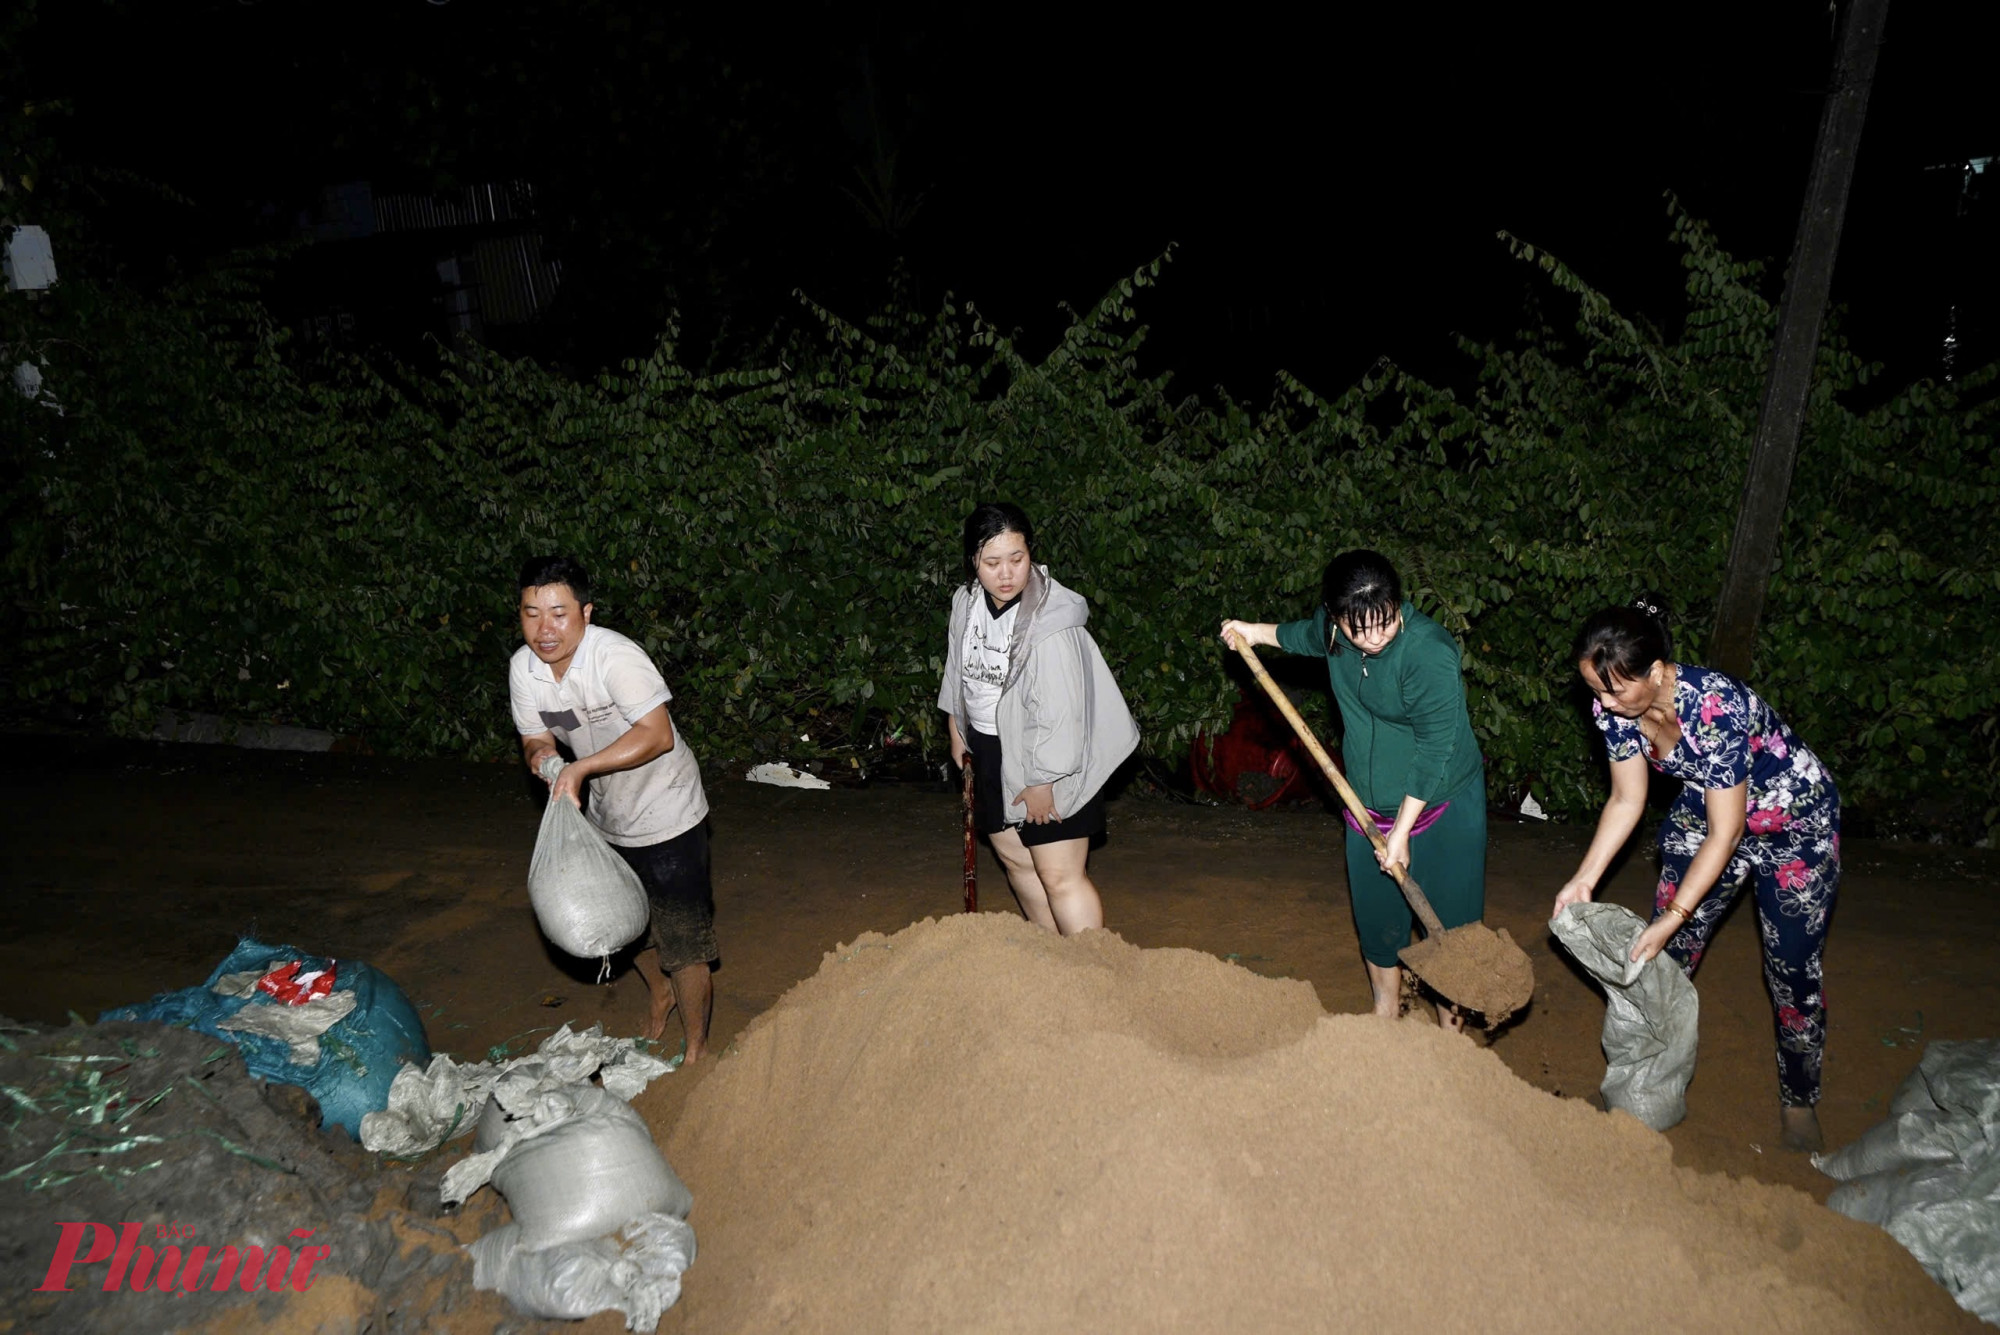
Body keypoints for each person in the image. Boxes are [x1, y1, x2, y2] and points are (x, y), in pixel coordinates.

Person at [1552, 596, 1840, 1150]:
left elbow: (1727, 835)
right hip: (1709, 809)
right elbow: (1626, 800)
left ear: (1656, 672)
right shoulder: (1613, 708)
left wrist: (1676, 914)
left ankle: (1799, 1097)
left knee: (1792, 969)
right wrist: (1584, 877)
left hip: (1792, 822)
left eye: (1615, 689)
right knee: (1660, 954)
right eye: (1595, 690)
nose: (1604, 704)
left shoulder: (1715, 705)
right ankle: (1643, 1089)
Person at [1221, 550, 1487, 1032]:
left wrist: (1402, 832)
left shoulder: (1428, 653)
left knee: (1451, 924)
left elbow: (1433, 749)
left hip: (1443, 801)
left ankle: (1452, 1034)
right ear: (1336, 616)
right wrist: (1252, 633)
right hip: (1364, 803)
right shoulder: (1332, 631)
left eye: (1384, 623)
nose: (1372, 638)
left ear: (1398, 605)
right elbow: (1301, 635)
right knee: (1377, 915)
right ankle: (1386, 1011)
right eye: (1356, 628)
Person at [508, 555, 717, 1061]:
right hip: (608, 812)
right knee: (625, 924)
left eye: (559, 612)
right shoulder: (524, 669)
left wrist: (579, 770)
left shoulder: (615, 658)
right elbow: (534, 737)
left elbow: (658, 735)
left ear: (586, 612)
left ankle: (697, 1049)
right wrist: (545, 759)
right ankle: (659, 992)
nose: (545, 628)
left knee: (683, 939)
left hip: (668, 808)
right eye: (531, 613)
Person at [939, 503, 1140, 935]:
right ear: (972, 561)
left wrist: (1043, 780)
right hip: (991, 748)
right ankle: (1052, 963)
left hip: (1046, 756)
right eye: (992, 562)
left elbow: (1063, 711)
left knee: (1059, 876)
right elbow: (959, 667)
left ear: (1032, 553)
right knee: (1017, 862)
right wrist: (957, 725)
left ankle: (1093, 971)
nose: (1007, 573)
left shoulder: (1050, 623)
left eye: (1018, 558)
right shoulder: (966, 603)